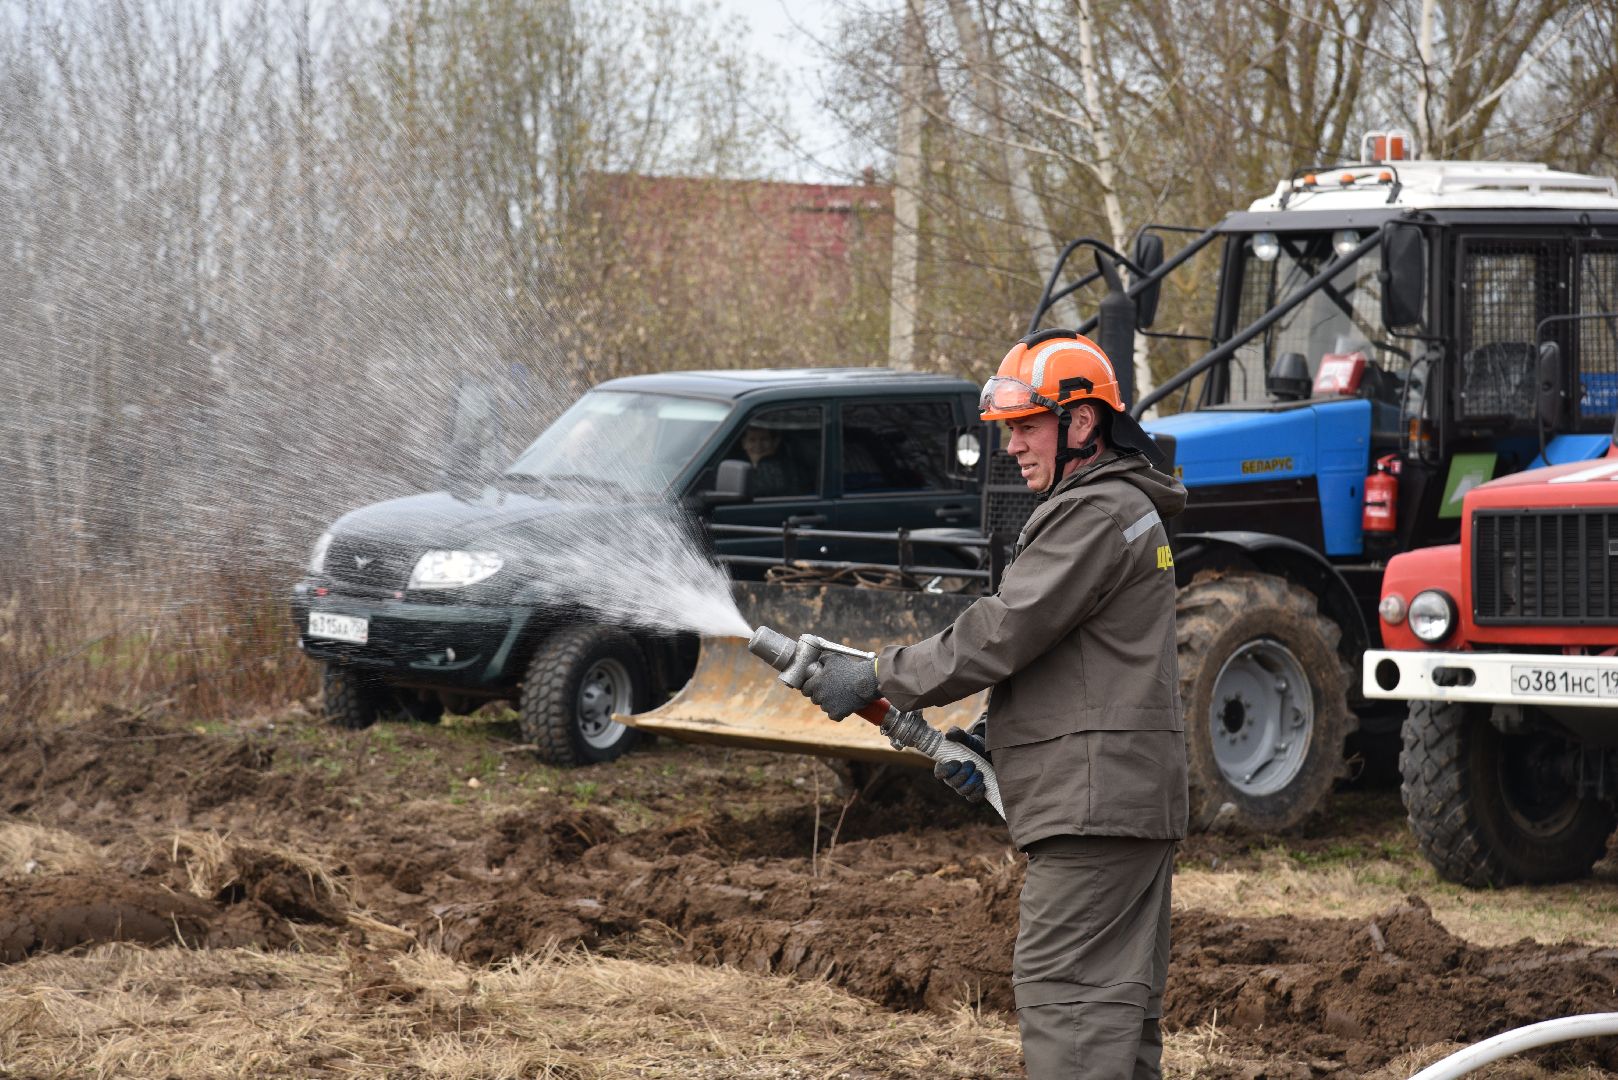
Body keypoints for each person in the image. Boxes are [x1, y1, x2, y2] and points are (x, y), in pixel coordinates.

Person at [800, 329, 1189, 1079]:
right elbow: (1075, 660)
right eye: (1007, 429)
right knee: (1114, 1020)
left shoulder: (1094, 513)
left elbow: (1004, 630)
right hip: (1115, 801)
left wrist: (878, 674)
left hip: (1096, 811)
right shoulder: (1115, 507)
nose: (1011, 446)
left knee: (1069, 1009)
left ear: (1082, 424)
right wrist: (990, 740)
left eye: (1026, 426)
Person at [739, 422, 801, 497]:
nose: (758, 445)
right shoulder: (739, 467)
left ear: (775, 442)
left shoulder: (785, 468)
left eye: (764, 439)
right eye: (752, 440)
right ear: (744, 444)